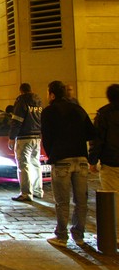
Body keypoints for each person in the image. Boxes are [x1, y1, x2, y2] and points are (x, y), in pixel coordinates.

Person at [41, 80, 96, 248]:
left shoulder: (49, 111)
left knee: (62, 201)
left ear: (52, 94)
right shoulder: (78, 109)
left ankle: (62, 236)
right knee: (81, 200)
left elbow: (47, 137)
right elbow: (91, 133)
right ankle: (78, 234)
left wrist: (53, 154)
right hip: (80, 159)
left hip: (61, 160)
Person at [88, 84, 119, 239]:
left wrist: (92, 160)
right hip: (111, 159)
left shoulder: (104, 114)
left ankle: (116, 234)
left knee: (113, 198)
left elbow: (98, 139)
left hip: (111, 161)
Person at [8, 83, 44, 202]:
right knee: (35, 163)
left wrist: (12, 137)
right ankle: (38, 190)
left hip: (24, 137)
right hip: (36, 137)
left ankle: (26, 193)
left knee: (23, 165)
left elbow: (17, 121)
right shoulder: (38, 101)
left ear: (21, 91)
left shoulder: (21, 101)